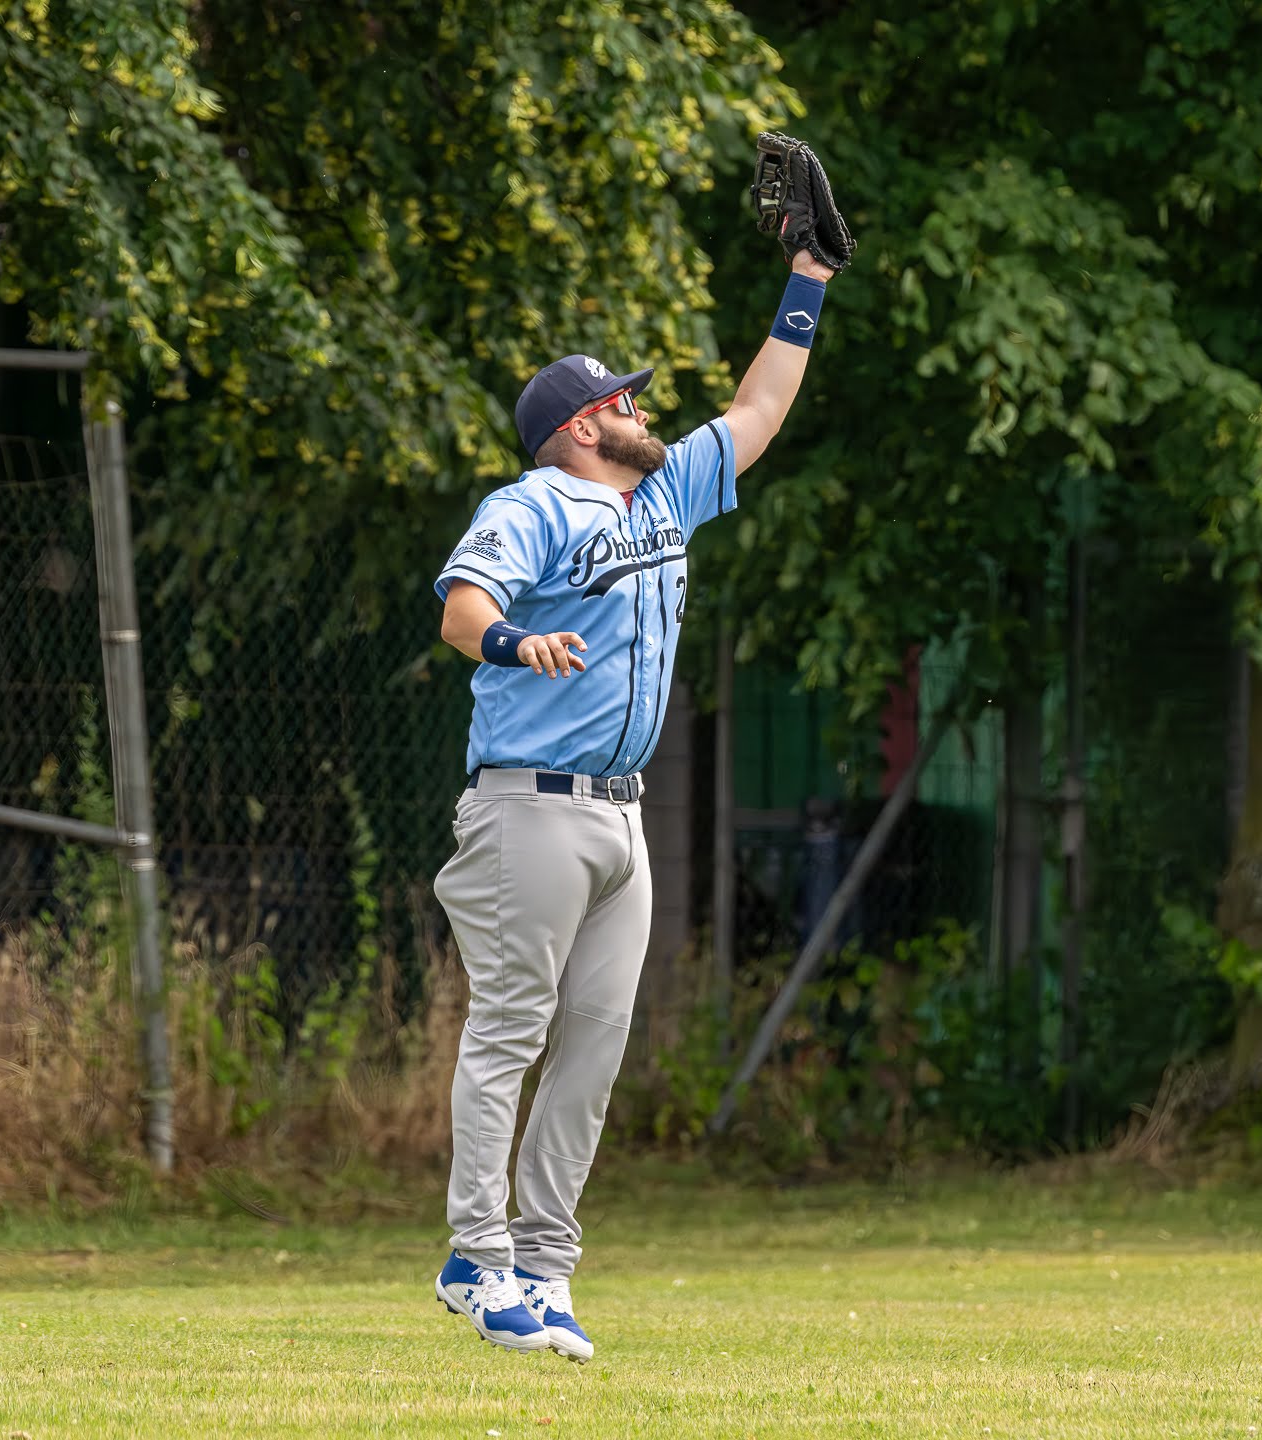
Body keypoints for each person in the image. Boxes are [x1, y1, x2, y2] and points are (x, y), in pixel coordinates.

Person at [428, 235, 838, 1362]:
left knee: (596, 1048)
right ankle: (475, 1260)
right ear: (579, 427)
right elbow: (463, 609)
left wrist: (808, 279)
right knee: (511, 1031)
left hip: (620, 813)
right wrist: (514, 640)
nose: (639, 408)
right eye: (621, 400)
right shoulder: (533, 505)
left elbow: (759, 410)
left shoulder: (662, 496)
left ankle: (544, 1268)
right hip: (526, 807)